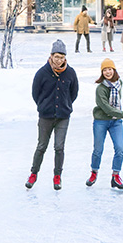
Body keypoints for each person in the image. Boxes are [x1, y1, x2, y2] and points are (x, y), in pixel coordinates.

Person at [26, 40, 79, 190]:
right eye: (56, 57)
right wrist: (43, 106)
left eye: (62, 57)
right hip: (46, 116)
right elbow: (35, 93)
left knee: (59, 147)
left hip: (63, 117)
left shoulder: (70, 73)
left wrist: (66, 104)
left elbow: (74, 93)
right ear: (51, 56)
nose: (59, 60)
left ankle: (57, 176)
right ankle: (33, 173)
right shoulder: (42, 73)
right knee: (42, 146)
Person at [87, 59, 123, 190]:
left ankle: (116, 176)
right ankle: (94, 172)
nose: (107, 72)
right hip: (101, 121)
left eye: (109, 69)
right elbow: (107, 108)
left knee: (120, 149)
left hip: (116, 121)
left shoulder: (119, 83)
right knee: (98, 150)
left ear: (114, 70)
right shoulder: (100, 89)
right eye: (104, 70)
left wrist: (119, 115)